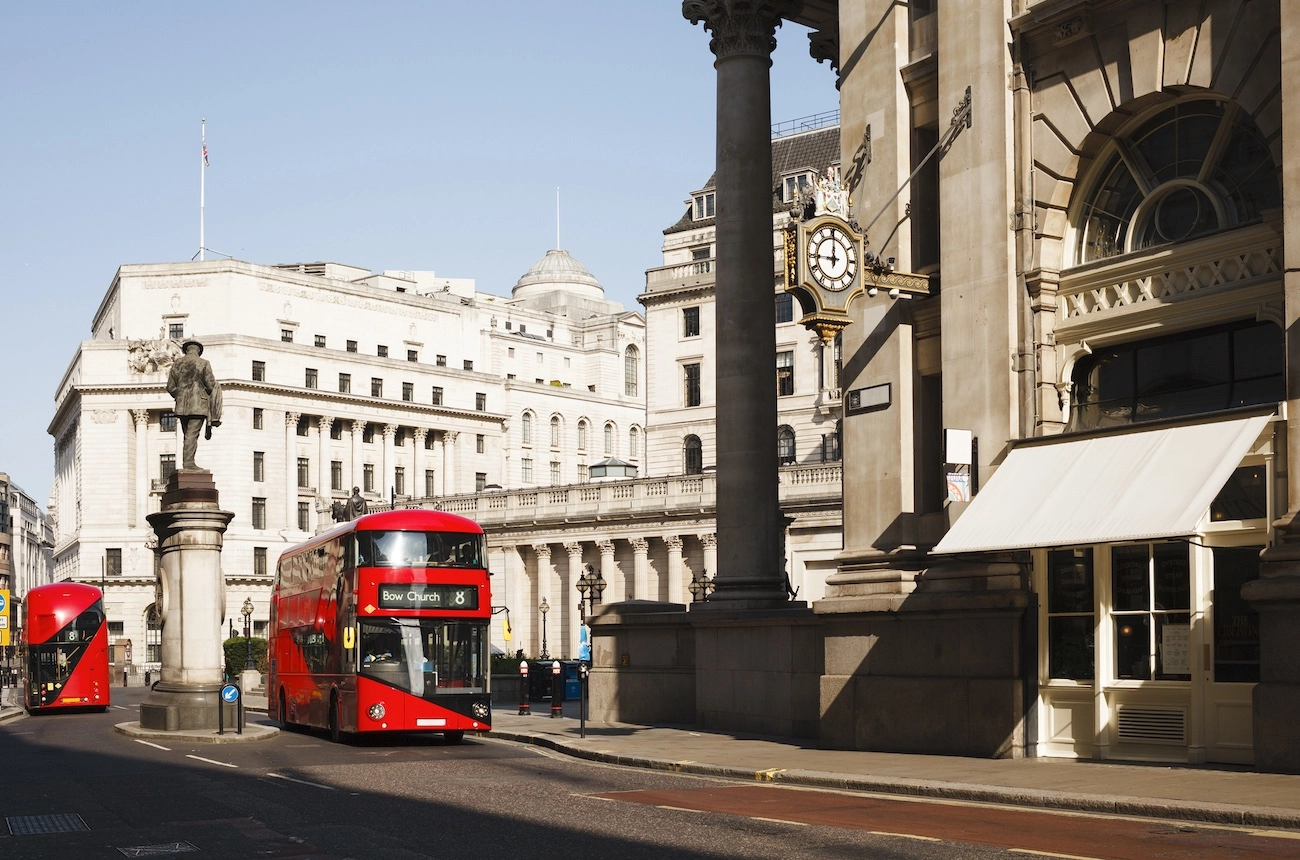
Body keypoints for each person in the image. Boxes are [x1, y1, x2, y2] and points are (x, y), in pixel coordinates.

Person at [165, 339, 222, 471]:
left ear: (186, 350)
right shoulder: (203, 363)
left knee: (187, 435)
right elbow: (211, 385)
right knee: (192, 435)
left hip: (181, 406)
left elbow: (170, 387)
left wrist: (179, 395)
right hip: (198, 405)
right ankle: (189, 464)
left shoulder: (177, 364)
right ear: (198, 351)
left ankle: (188, 462)